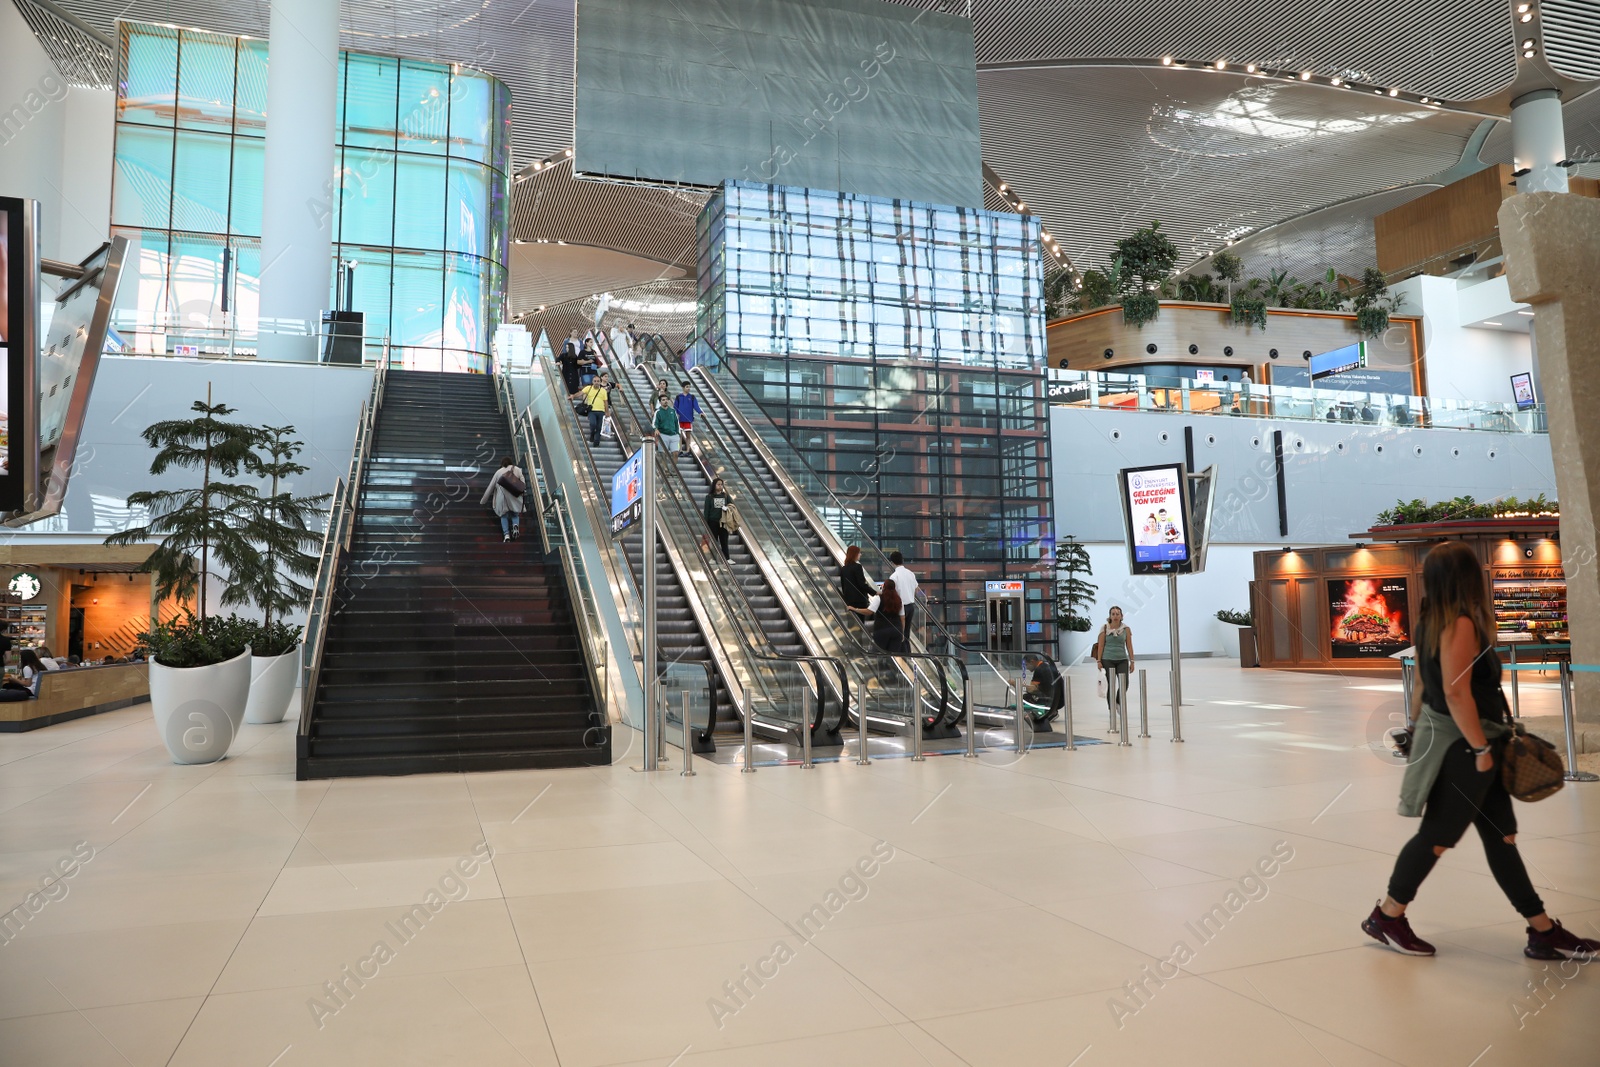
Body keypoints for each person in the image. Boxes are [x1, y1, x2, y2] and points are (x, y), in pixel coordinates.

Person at [1363, 541, 1600, 960]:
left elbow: (1422, 684)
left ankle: (1542, 930)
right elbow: (1456, 694)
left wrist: (1416, 728)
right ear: (1468, 578)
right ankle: (1388, 915)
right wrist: (1478, 749)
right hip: (1467, 748)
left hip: (1466, 743)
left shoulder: (1429, 621)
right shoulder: (1460, 623)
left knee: (1501, 837)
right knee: (1438, 836)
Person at [1092, 607, 1133, 728]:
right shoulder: (1104, 628)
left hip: (1122, 659)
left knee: (1124, 683)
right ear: (1110, 616)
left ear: (1121, 616)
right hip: (1107, 659)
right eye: (1113, 614)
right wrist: (1099, 660)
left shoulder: (1126, 629)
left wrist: (1132, 661)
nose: (1115, 616)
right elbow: (1100, 646)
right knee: (1111, 684)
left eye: (1117, 614)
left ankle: (1118, 702)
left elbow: (1129, 646)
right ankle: (1112, 708)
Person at [480, 455, 527, 542]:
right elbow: (523, 484)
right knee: (515, 514)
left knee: (504, 516)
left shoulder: (498, 472)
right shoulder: (517, 469)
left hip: (502, 498)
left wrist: (483, 500)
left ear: (502, 464)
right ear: (511, 463)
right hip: (515, 496)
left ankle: (506, 536)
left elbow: (491, 487)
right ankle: (515, 526)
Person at [848, 581, 903, 654]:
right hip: (897, 629)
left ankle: (881, 665)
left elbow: (869, 611)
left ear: (884, 587)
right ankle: (892, 666)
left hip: (882, 629)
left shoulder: (879, 598)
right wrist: (902, 631)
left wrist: (855, 609)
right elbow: (903, 617)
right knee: (894, 655)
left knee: (878, 654)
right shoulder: (899, 599)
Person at [886, 551, 918, 653]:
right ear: (902, 560)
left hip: (900, 607)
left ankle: (901, 656)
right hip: (911, 606)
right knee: (907, 633)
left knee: (899, 633)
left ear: (892, 562)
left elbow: (892, 593)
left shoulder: (894, 577)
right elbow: (916, 588)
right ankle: (908, 654)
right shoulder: (910, 573)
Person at [1025, 654, 1065, 722]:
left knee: (1027, 697)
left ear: (1032, 662)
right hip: (1060, 698)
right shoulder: (1045, 666)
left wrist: (1017, 685)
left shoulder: (1039, 669)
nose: (1026, 668)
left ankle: (1048, 712)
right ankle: (1051, 711)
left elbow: (1032, 689)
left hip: (1054, 700)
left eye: (1026, 665)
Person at [839, 545, 878, 611]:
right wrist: (875, 592)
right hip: (859, 601)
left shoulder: (843, 569)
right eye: (859, 553)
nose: (860, 554)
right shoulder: (857, 567)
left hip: (849, 601)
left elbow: (843, 585)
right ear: (855, 554)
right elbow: (862, 584)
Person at [703, 477, 733, 559]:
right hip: (713, 521)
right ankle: (713, 558)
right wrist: (706, 523)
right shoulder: (709, 497)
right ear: (714, 485)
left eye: (721, 484)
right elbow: (706, 511)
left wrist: (727, 508)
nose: (720, 486)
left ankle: (727, 558)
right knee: (713, 541)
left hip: (724, 522)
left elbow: (732, 506)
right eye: (718, 484)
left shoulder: (726, 496)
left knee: (724, 541)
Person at [579, 373, 611, 446]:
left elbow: (605, 402)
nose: (596, 382)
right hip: (592, 411)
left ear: (600, 382)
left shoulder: (603, 391)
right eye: (595, 381)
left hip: (601, 411)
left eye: (598, 381)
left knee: (599, 427)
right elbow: (580, 393)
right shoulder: (588, 388)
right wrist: (573, 396)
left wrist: (607, 412)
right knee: (593, 424)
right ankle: (592, 434)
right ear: (592, 382)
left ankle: (596, 442)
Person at [674, 384, 702, 448]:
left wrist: (700, 412)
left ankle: (688, 450)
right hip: (679, 419)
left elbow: (696, 406)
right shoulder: (678, 397)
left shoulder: (692, 397)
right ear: (683, 387)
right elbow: (675, 407)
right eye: (687, 387)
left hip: (688, 419)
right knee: (679, 435)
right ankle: (679, 449)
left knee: (688, 436)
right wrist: (675, 415)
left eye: (689, 387)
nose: (688, 388)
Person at [558, 329, 583, 395]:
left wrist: (581, 357)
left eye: (576, 332)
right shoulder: (567, 340)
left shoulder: (580, 341)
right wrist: (562, 358)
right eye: (574, 332)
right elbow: (564, 350)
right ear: (571, 333)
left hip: (576, 359)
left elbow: (582, 349)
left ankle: (575, 388)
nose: (576, 333)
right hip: (568, 359)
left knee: (575, 373)